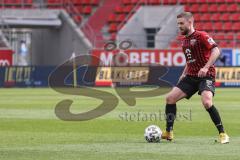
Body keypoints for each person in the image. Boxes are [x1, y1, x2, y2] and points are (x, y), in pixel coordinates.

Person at [161, 12, 229, 144]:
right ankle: (169, 132)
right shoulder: (184, 40)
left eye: (181, 23)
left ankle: (223, 133)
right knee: (170, 98)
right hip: (191, 76)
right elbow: (190, 60)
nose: (179, 26)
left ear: (189, 22)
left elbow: (216, 51)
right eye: (178, 24)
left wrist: (205, 67)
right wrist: (184, 73)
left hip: (206, 75)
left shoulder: (201, 35)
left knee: (207, 102)